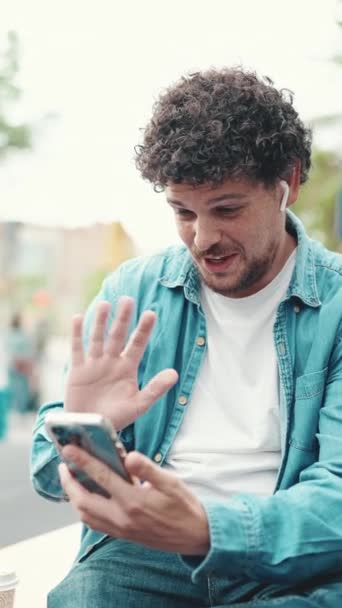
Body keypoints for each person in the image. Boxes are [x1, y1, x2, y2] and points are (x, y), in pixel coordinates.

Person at [31, 67, 342, 607]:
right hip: (147, 555)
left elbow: (337, 498)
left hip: (291, 563)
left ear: (287, 183)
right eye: (182, 212)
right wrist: (86, 438)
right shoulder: (133, 290)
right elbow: (46, 472)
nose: (204, 239)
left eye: (227, 209)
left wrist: (205, 527)